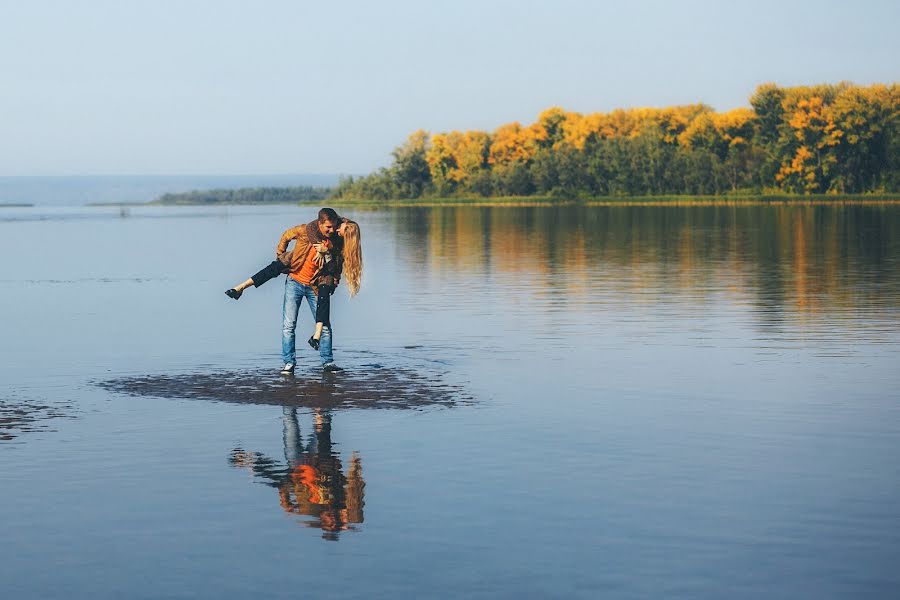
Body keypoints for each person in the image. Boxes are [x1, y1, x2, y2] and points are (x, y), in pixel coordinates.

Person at [223, 208, 362, 374]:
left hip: (315, 286)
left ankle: (328, 363)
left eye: (334, 228)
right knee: (289, 326)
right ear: (320, 224)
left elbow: (336, 267)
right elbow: (287, 235)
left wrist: (333, 276)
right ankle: (289, 363)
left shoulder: (336, 242)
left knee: (324, 325)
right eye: (328, 228)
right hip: (294, 282)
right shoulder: (306, 231)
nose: (331, 231)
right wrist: (280, 254)